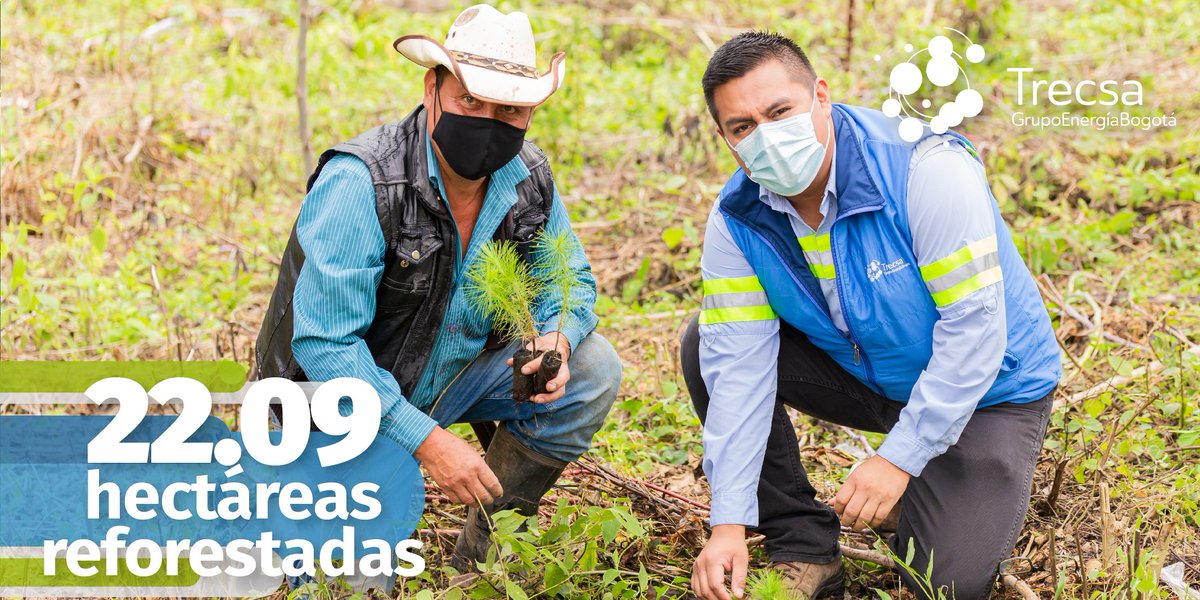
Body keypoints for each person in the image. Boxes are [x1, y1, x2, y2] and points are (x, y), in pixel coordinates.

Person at [680, 32, 1061, 600]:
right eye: (743, 127)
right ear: (725, 139)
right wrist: (728, 522)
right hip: (872, 379)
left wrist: (898, 458)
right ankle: (804, 546)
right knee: (702, 345)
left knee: (944, 584)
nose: (765, 136)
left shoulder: (923, 168)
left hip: (990, 390)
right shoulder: (738, 219)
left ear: (822, 96)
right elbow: (737, 367)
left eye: (780, 111)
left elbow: (976, 332)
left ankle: (928, 482)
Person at [254, 3, 621, 583]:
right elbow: (325, 346)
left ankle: (485, 553)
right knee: (343, 585)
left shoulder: (526, 178)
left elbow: (569, 281)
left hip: (447, 380)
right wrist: (425, 441)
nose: (488, 121)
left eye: (510, 110)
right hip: (331, 412)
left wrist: (558, 337)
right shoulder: (366, 182)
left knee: (596, 369)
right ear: (433, 89)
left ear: (530, 112)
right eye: (470, 101)